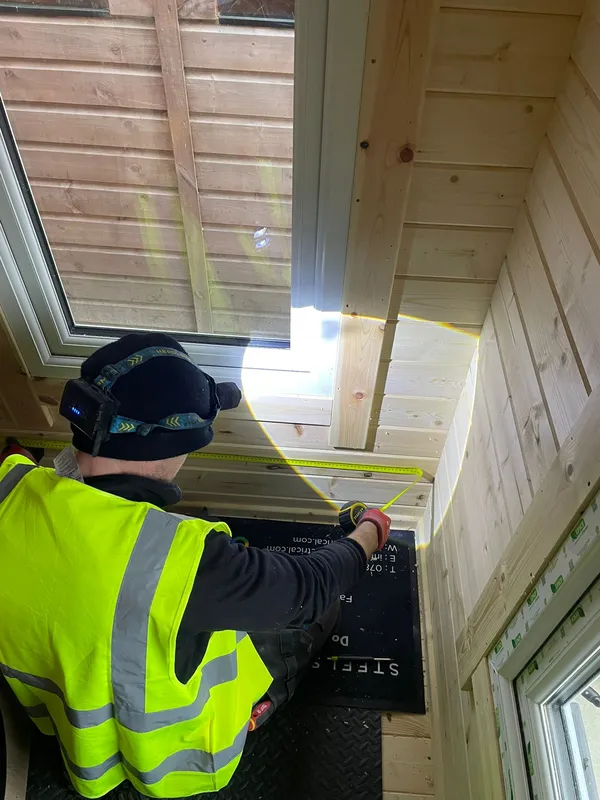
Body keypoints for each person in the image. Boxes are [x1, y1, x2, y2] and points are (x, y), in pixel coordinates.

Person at [0, 332, 391, 799]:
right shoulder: (185, 561)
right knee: (322, 613)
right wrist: (370, 532)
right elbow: (311, 586)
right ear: (175, 443)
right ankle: (255, 710)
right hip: (170, 760)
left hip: (76, 739)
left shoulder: (10, 484)